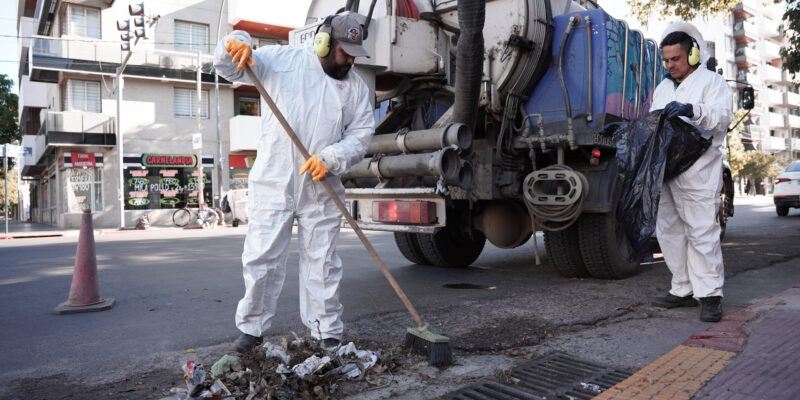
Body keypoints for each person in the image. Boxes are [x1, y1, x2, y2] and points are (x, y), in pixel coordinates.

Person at [213, 13, 375, 352]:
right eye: (344, 52)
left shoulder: (357, 88)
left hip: (322, 185)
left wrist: (331, 157)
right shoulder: (284, 61)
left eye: (354, 54)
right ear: (324, 42)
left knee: (323, 262)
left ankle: (326, 332)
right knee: (262, 258)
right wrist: (236, 44)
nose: (349, 60)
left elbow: (361, 136)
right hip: (275, 181)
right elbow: (230, 68)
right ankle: (252, 330)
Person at [649, 23, 733, 322]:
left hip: (698, 168)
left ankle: (710, 295)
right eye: (667, 60)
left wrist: (691, 108)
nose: (670, 65)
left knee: (701, 230)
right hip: (667, 168)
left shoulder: (711, 82)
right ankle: (682, 288)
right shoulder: (661, 88)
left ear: (693, 55)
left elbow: (722, 117)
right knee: (668, 229)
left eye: (676, 59)